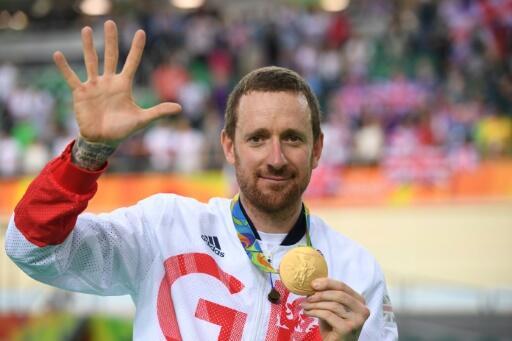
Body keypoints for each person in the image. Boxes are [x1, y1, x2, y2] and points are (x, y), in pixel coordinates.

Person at [5, 20, 398, 340]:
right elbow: (30, 248)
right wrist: (88, 153)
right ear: (229, 146)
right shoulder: (164, 228)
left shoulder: (356, 271)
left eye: (292, 139)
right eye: (257, 138)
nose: (275, 159)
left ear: (317, 150)